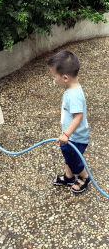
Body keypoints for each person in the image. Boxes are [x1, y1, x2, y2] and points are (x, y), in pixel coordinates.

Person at [47, 50, 91, 193]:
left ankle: (84, 177)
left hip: (76, 137)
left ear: (65, 78)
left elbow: (78, 117)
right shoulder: (70, 88)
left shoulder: (74, 95)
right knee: (67, 154)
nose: (53, 79)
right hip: (70, 134)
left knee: (73, 158)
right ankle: (69, 176)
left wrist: (66, 134)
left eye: (54, 76)